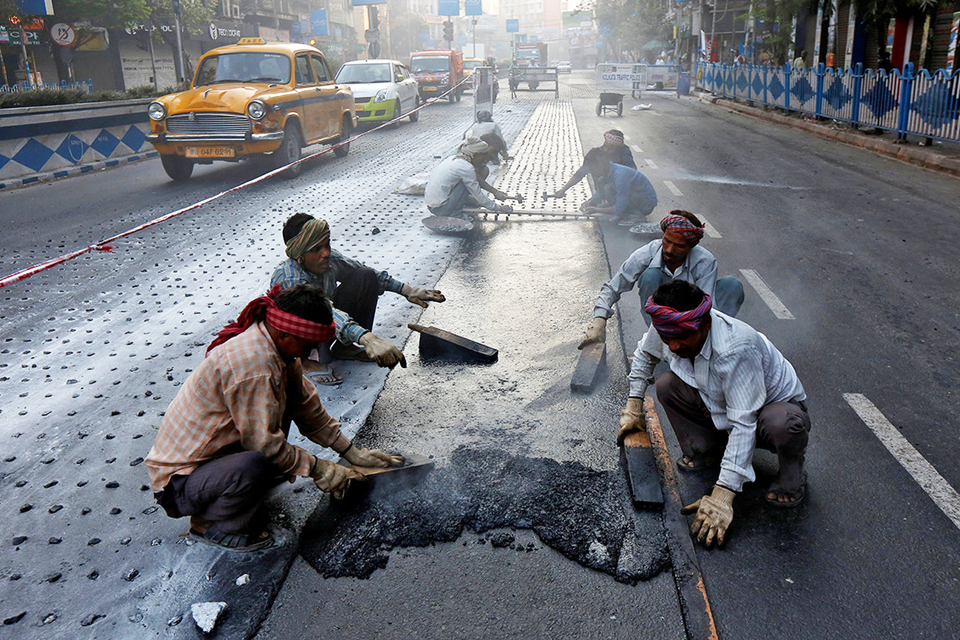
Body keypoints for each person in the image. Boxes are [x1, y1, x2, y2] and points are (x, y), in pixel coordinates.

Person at [145, 284, 404, 551]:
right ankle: (210, 525)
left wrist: (352, 453)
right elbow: (264, 445)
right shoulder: (254, 366)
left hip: (215, 459)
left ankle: (242, 484)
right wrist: (319, 468)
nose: (312, 352)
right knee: (254, 462)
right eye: (309, 345)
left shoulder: (280, 350)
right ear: (284, 333)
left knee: (276, 422)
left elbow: (307, 409)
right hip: (179, 483)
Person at [618, 280, 811, 547]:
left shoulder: (736, 348)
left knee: (780, 423)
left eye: (682, 338)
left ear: (706, 325)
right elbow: (644, 355)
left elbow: (744, 422)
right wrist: (634, 405)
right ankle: (709, 449)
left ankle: (793, 476)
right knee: (667, 385)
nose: (673, 347)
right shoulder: (667, 324)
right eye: (667, 339)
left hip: (770, 411)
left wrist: (723, 494)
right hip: (719, 400)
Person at [270, 215, 444, 384]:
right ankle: (304, 362)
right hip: (297, 332)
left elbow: (366, 272)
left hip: (325, 321)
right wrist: (368, 339)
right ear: (299, 256)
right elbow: (326, 311)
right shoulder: (290, 279)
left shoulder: (329, 260)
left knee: (365, 276)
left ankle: (343, 347)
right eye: (316, 249)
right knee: (299, 318)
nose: (326, 253)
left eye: (327, 245)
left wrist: (408, 290)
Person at [578, 211, 744, 348]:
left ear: (691, 247)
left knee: (732, 285)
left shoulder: (705, 261)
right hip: (660, 318)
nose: (670, 250)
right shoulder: (646, 253)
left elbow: (706, 306)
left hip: (692, 315)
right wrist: (599, 320)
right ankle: (659, 339)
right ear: (662, 236)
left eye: (679, 246)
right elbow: (613, 288)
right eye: (667, 241)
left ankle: (712, 342)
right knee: (650, 276)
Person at [424, 137, 513, 219]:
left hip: (431, 206)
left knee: (467, 180)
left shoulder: (453, 158)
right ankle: (455, 214)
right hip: (442, 209)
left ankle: (459, 204)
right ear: (477, 155)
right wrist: (499, 208)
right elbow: (479, 196)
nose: (484, 160)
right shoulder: (466, 168)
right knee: (466, 183)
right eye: (483, 156)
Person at [578, 147, 658, 228]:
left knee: (608, 188)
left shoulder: (621, 176)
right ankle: (625, 214)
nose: (593, 172)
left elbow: (620, 206)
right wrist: (591, 202)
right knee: (602, 182)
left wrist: (597, 210)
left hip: (646, 204)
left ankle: (636, 216)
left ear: (601, 165)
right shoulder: (609, 171)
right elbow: (600, 193)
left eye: (593, 169)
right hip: (634, 198)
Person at [549, 130, 636, 201]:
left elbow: (632, 171)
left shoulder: (624, 151)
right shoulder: (594, 153)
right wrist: (563, 189)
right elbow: (580, 173)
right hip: (601, 189)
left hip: (619, 187)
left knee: (610, 192)